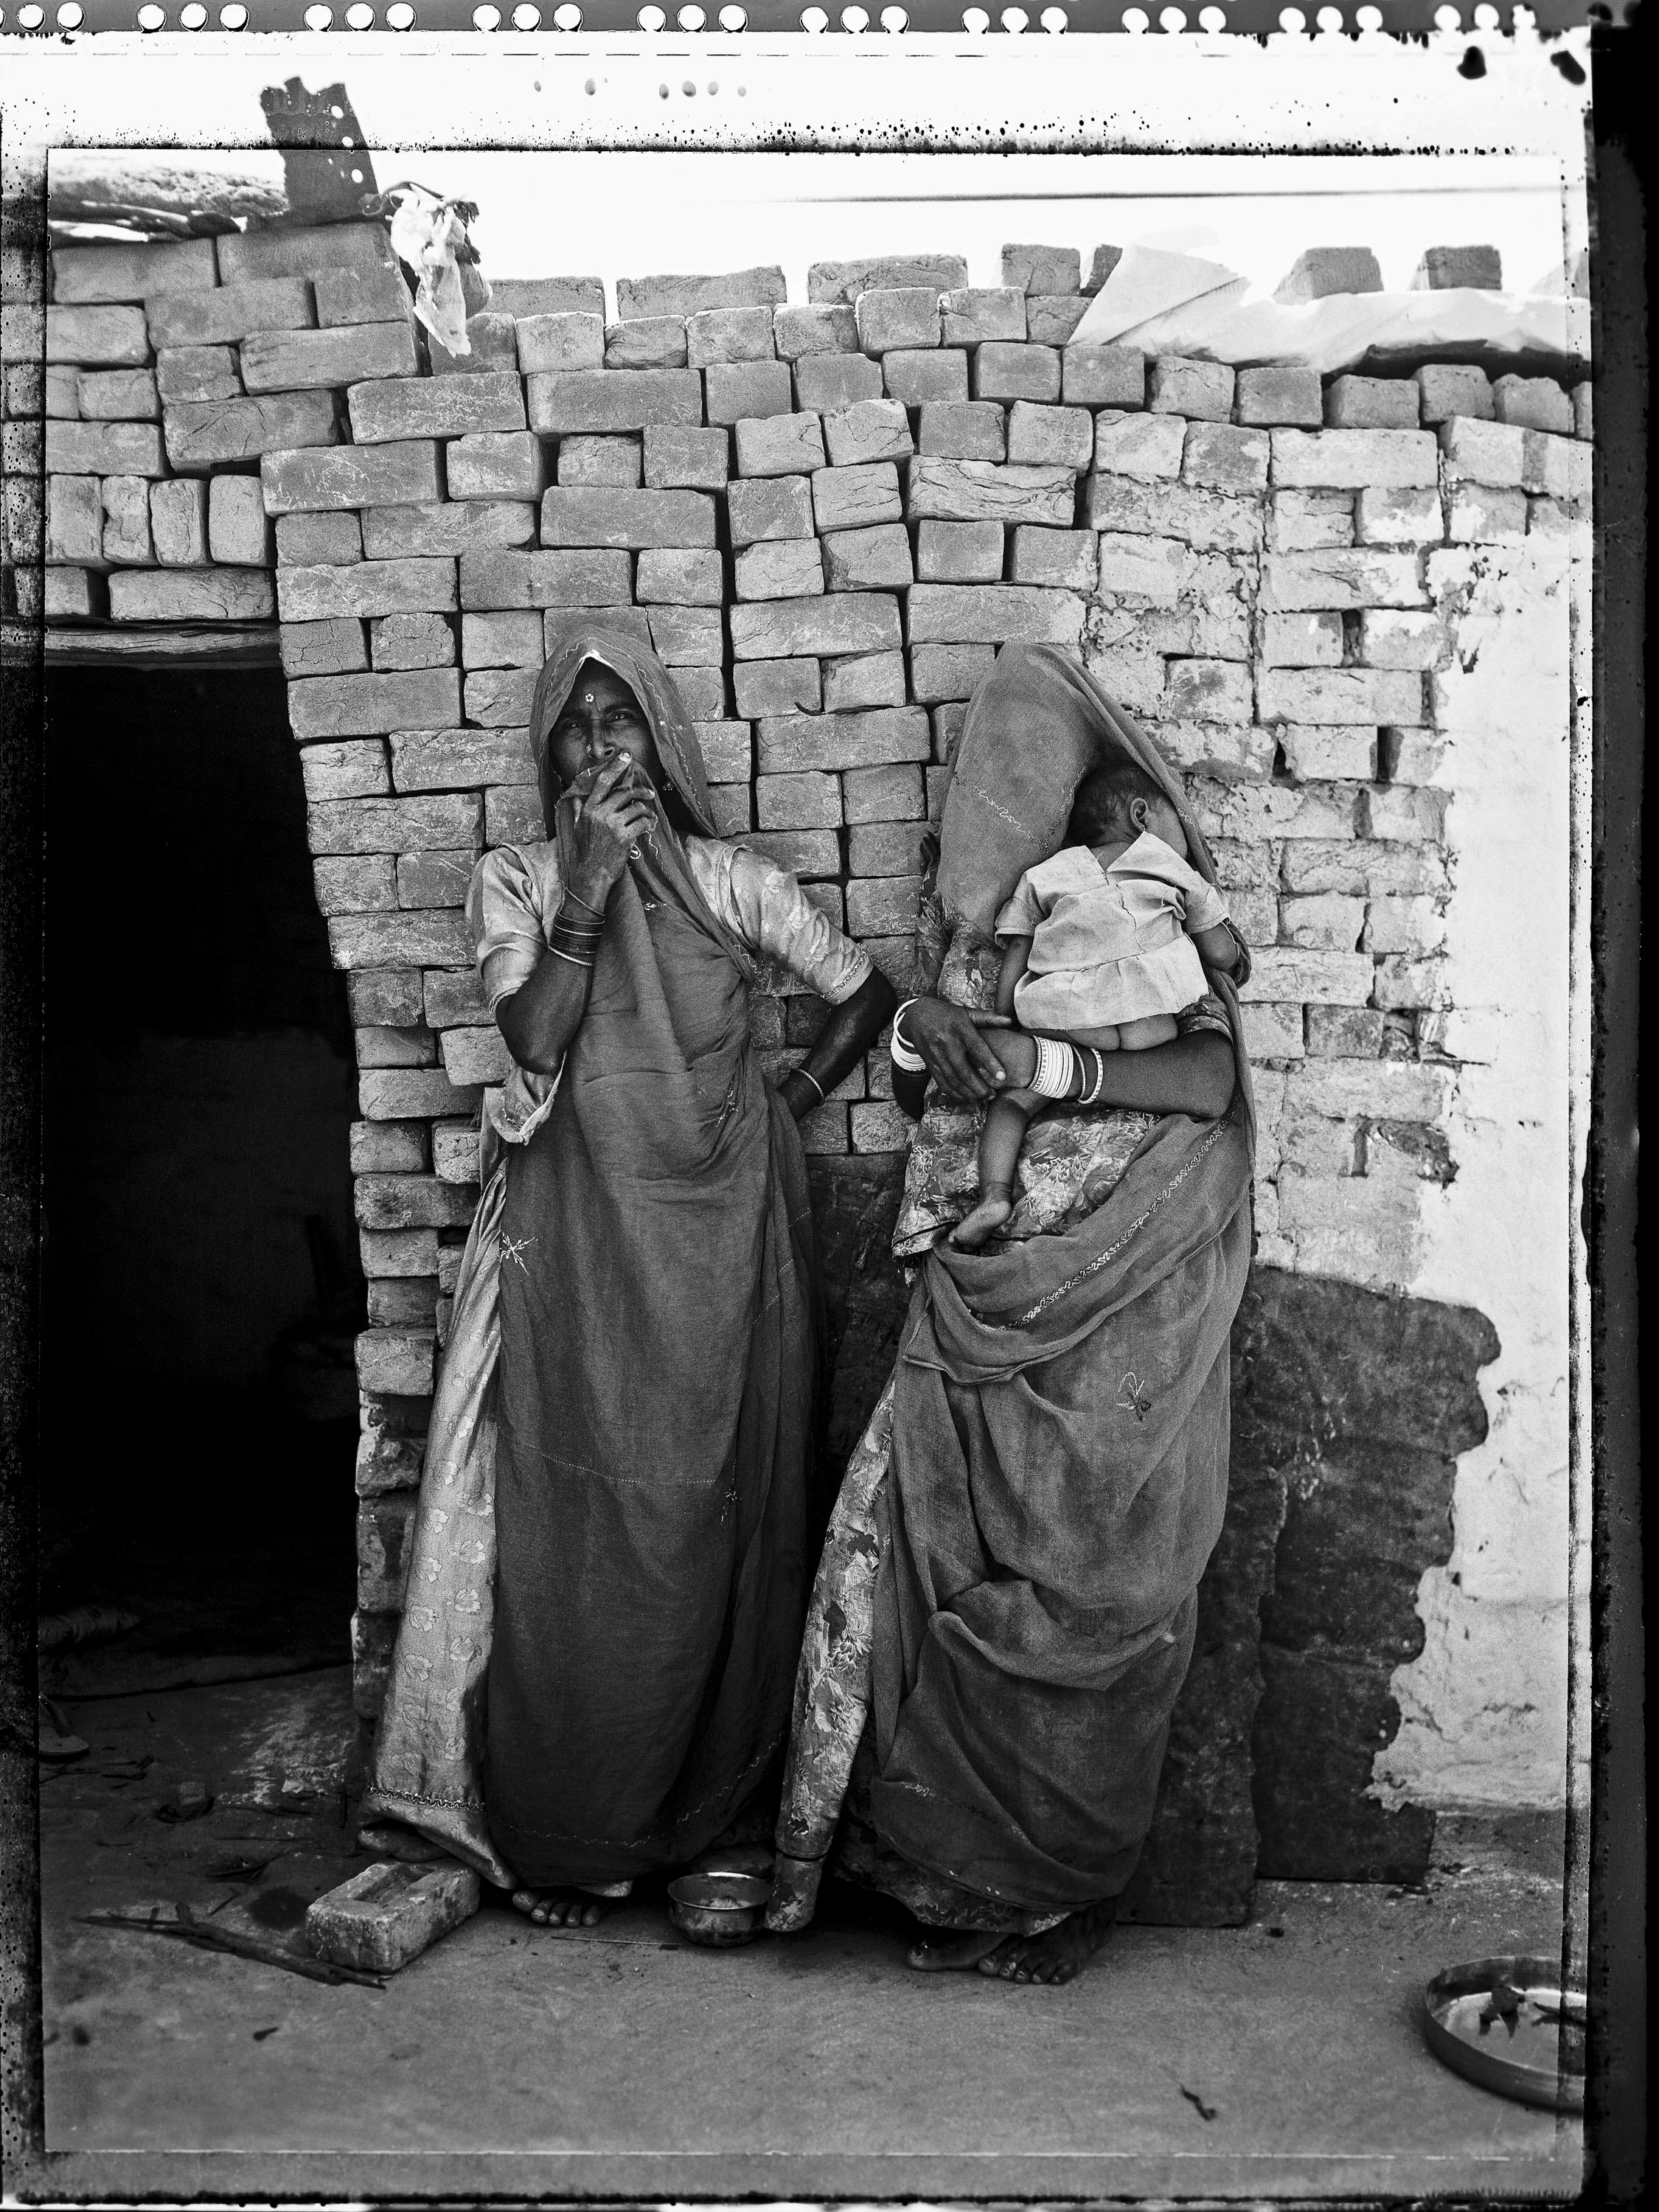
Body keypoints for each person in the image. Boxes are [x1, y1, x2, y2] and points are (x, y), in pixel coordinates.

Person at [361, 624, 895, 1927]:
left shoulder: (728, 881)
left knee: (716, 1520)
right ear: (549, 753)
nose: (602, 749)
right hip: (574, 1260)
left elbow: (863, 989)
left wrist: (794, 1093)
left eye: (622, 724)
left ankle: (704, 1824)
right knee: (569, 1527)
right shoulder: (519, 882)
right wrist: (590, 892)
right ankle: (567, 1829)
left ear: (661, 740)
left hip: (721, 1254)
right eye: (577, 728)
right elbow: (534, 1030)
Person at [765, 643, 1255, 1985]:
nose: (1010, 820)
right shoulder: (1002, 940)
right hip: (979, 1299)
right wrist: (944, 1040)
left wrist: (1061, 1063)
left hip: (1121, 1325)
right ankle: (934, 1880)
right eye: (994, 799)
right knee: (909, 1553)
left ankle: (1050, 1896)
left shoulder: (1153, 918)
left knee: (1092, 1577)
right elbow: (941, 1103)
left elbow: (1208, 1083)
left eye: (1032, 794)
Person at [953, 757, 1242, 1248]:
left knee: (1014, 1104)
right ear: (1141, 817)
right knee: (1180, 1076)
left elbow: (1018, 950)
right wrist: (1227, 948)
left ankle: (994, 1194)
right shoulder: (1170, 865)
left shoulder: (1045, 873)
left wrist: (1010, 1020)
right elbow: (1221, 953)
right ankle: (1085, 1076)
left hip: (1068, 1016)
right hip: (1152, 1022)